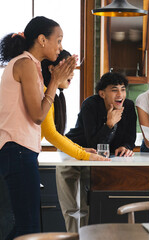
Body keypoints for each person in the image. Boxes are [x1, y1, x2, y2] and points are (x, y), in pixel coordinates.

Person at [0, 16, 76, 239]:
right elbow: (37, 116)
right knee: (29, 228)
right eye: (58, 40)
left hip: (19, 152)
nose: (60, 47)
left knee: (25, 225)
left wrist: (54, 79)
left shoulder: (28, 65)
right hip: (18, 151)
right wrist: (54, 82)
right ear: (42, 40)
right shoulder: (25, 65)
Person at [59, 71, 137, 232]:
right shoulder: (90, 105)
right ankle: (73, 237)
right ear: (102, 93)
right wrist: (109, 124)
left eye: (123, 89)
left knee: (90, 205)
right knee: (72, 208)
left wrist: (126, 147)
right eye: (114, 89)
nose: (120, 94)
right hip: (73, 155)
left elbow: (130, 138)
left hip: (97, 161)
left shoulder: (128, 107)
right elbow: (93, 143)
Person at [40, 50, 108, 232]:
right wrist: (83, 154)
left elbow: (56, 134)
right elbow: (51, 135)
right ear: (52, 69)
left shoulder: (51, 94)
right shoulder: (44, 93)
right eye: (68, 67)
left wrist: (81, 149)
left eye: (73, 67)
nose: (72, 73)